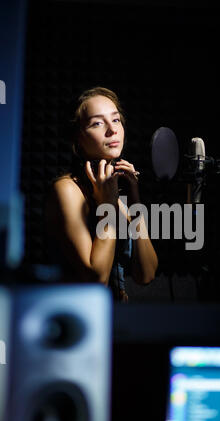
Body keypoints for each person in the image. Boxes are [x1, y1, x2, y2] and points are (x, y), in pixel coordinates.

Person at [45, 86, 158, 302]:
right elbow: (96, 280)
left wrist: (135, 204)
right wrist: (107, 205)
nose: (112, 130)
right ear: (77, 138)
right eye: (97, 123)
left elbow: (146, 274)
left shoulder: (114, 193)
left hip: (118, 320)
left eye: (115, 120)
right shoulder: (67, 190)